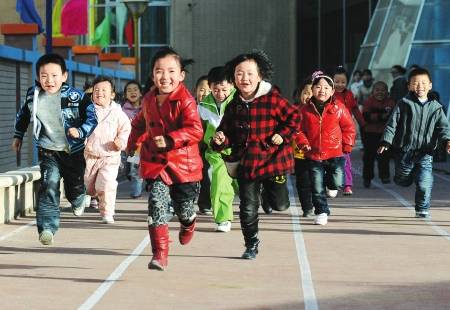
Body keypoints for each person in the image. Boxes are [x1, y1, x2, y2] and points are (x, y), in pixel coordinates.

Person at [211, 51, 299, 259]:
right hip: (248, 163)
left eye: (250, 73)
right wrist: (220, 140)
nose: (245, 78)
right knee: (247, 207)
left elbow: (295, 117)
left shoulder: (273, 100)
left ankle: (271, 193)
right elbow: (227, 134)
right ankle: (251, 244)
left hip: (273, 160)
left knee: (280, 205)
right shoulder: (234, 106)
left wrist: (282, 134)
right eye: (239, 74)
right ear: (233, 79)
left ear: (259, 76)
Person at [127, 47, 203, 271]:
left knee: (184, 209)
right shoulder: (149, 98)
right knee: (157, 204)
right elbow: (140, 122)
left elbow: (195, 130)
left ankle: (188, 223)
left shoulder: (186, 100)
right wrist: (133, 143)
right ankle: (159, 255)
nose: (165, 76)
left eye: (171, 71)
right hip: (157, 164)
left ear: (181, 75)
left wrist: (171, 140)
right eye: (159, 71)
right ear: (152, 75)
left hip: (183, 166)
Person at [11, 53, 97, 245]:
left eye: (54, 75)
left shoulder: (76, 96)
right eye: (44, 76)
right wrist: (18, 136)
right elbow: (23, 115)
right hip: (48, 150)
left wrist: (81, 131)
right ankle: (47, 228)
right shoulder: (32, 95)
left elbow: (92, 117)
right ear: (38, 76)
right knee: (49, 185)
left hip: (72, 151)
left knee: (74, 188)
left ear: (64, 76)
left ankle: (78, 196)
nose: (49, 80)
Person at [378, 67, 450, 218]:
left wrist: (447, 141)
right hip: (405, 152)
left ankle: (422, 209)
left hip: (425, 153)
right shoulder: (403, 103)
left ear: (430, 85)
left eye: (424, 83)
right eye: (416, 83)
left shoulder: (436, 107)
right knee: (402, 180)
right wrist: (386, 142)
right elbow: (392, 124)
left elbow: (444, 127)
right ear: (409, 86)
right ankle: (405, 177)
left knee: (425, 182)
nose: (420, 86)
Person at [295, 71, 356, 225]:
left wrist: (347, 145)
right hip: (313, 155)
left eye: (326, 88)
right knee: (316, 186)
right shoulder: (305, 110)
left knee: (336, 182)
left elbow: (349, 127)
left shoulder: (339, 108)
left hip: (336, 153)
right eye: (318, 87)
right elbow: (298, 130)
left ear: (332, 91)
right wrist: (303, 143)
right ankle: (321, 211)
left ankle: (332, 185)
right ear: (313, 89)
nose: (322, 90)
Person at [84, 76, 131, 224]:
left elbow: (125, 130)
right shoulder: (86, 111)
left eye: (104, 90)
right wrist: (82, 142)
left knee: (106, 184)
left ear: (112, 94)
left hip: (110, 157)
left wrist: (120, 143)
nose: (100, 93)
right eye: (96, 90)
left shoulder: (118, 113)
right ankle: (84, 199)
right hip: (89, 155)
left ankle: (107, 213)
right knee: (87, 186)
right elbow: (80, 130)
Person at [198, 66, 237, 232]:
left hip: (240, 151)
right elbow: (199, 131)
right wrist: (211, 139)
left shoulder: (241, 101)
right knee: (220, 182)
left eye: (224, 89)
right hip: (217, 153)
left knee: (244, 185)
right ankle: (223, 218)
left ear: (232, 85)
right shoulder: (202, 107)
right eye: (215, 90)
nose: (220, 94)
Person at [333, 66, 366, 196]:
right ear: (332, 81)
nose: (339, 85)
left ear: (347, 82)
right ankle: (332, 183)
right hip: (331, 132)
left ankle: (347, 185)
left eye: (343, 82)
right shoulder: (328, 94)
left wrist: (363, 123)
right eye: (337, 81)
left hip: (346, 132)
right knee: (331, 159)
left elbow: (355, 109)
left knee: (346, 158)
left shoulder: (349, 95)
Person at [362, 81, 395, 187]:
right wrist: (381, 116)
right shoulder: (368, 102)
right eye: (377, 90)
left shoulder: (391, 102)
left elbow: (391, 117)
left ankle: (384, 176)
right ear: (373, 91)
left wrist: (377, 115)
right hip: (370, 133)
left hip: (384, 134)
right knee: (368, 157)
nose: (380, 92)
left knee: (384, 156)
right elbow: (366, 116)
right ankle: (367, 178)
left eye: (383, 90)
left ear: (387, 92)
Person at [292, 78, 314, 217]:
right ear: (300, 94)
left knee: (317, 180)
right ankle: (307, 207)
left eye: (313, 93)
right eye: (306, 92)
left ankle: (318, 204)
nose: (309, 96)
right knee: (303, 181)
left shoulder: (324, 111)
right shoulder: (295, 111)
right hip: (300, 153)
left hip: (318, 153)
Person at [194, 75, 213, 215]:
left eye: (209, 90)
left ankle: (205, 203)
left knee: (207, 176)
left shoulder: (214, 110)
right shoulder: (190, 107)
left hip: (206, 149)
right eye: (202, 90)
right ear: (196, 91)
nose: (205, 93)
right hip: (191, 149)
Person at [122, 80, 144, 199]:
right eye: (129, 90)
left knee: (136, 170)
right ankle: (137, 190)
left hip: (145, 144)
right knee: (131, 170)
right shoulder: (122, 111)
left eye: (135, 89)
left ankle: (137, 192)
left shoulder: (146, 108)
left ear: (140, 93)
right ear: (125, 95)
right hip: (131, 147)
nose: (132, 92)